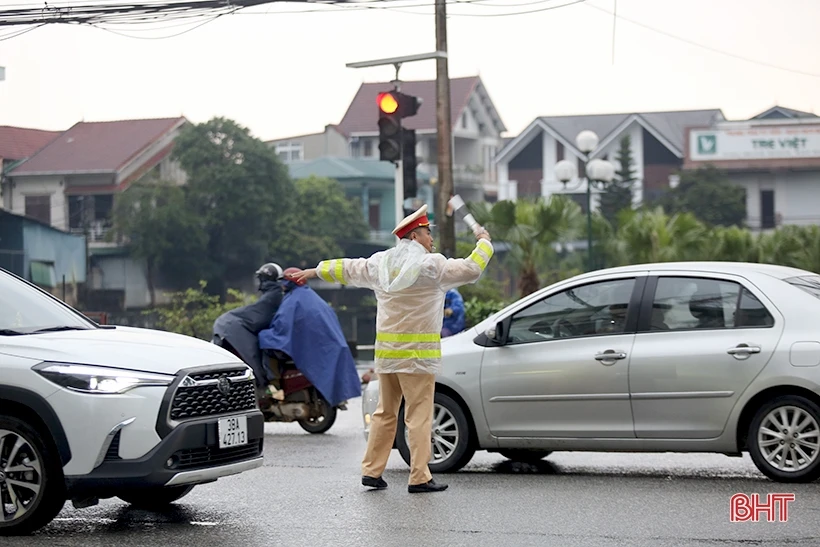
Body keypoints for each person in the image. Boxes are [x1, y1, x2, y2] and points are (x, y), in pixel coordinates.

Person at [291, 204, 493, 494]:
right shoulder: (431, 266)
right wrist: (484, 242)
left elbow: (348, 267)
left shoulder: (381, 264)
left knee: (385, 413)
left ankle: (372, 471)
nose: (431, 239)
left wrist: (314, 270)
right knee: (419, 416)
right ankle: (420, 477)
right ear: (413, 235)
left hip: (387, 356)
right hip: (418, 359)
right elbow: (472, 268)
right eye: (426, 233)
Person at [257, 267, 362, 407]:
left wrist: (264, 333)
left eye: (285, 281)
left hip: (312, 345)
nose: (282, 285)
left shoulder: (293, 300)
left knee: (266, 343)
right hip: (329, 344)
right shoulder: (311, 296)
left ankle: (274, 386)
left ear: (290, 282)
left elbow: (281, 328)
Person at [212, 262, 285, 391]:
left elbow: (257, 318)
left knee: (255, 352)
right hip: (240, 327)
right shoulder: (275, 295)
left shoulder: (273, 296)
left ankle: (263, 383)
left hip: (234, 326)